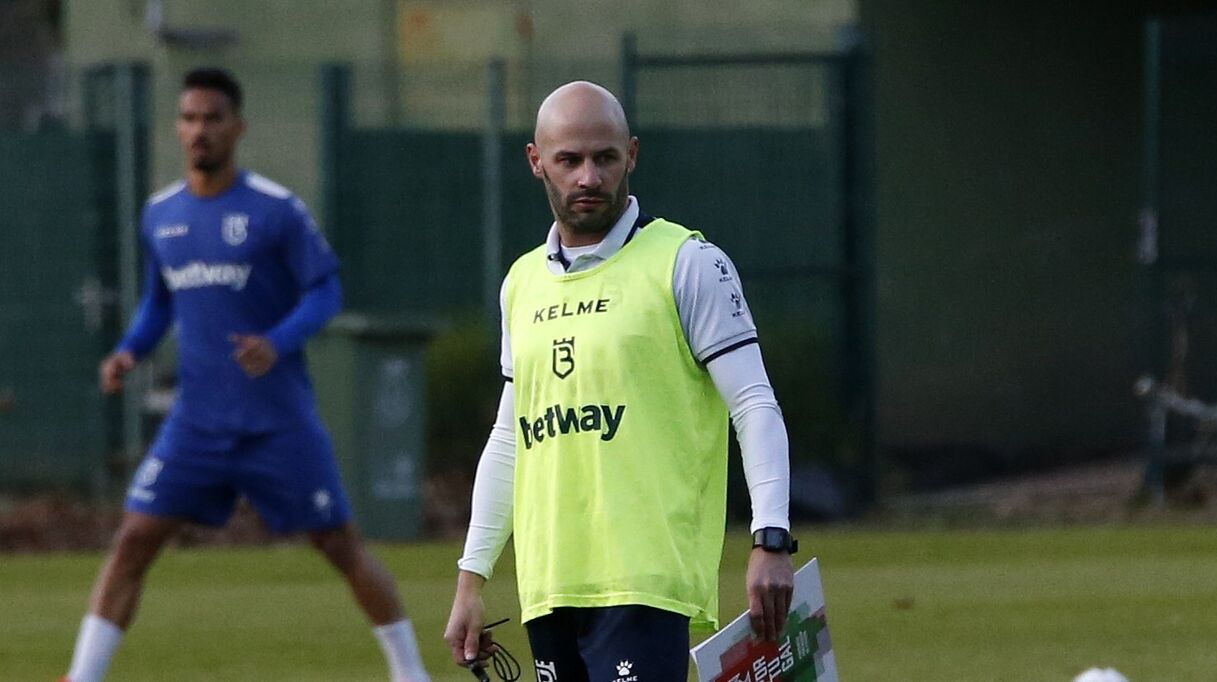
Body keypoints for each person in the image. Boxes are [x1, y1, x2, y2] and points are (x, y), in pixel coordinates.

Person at [61, 68, 431, 682]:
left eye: (212, 118)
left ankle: (410, 672)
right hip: (197, 423)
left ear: (238, 126)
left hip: (276, 421)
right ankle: (82, 677)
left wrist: (278, 341)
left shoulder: (275, 210)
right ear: (177, 128)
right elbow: (160, 302)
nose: (199, 130)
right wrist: (129, 350)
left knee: (339, 544)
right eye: (188, 118)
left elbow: (325, 290)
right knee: (134, 538)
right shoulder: (161, 215)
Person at [443, 81, 796, 680]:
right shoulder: (521, 283)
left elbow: (754, 404)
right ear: (536, 162)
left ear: (631, 155)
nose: (588, 177)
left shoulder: (686, 262)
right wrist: (471, 579)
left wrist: (771, 539)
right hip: (550, 583)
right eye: (569, 160)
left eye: (604, 158)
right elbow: (510, 437)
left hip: (644, 581)